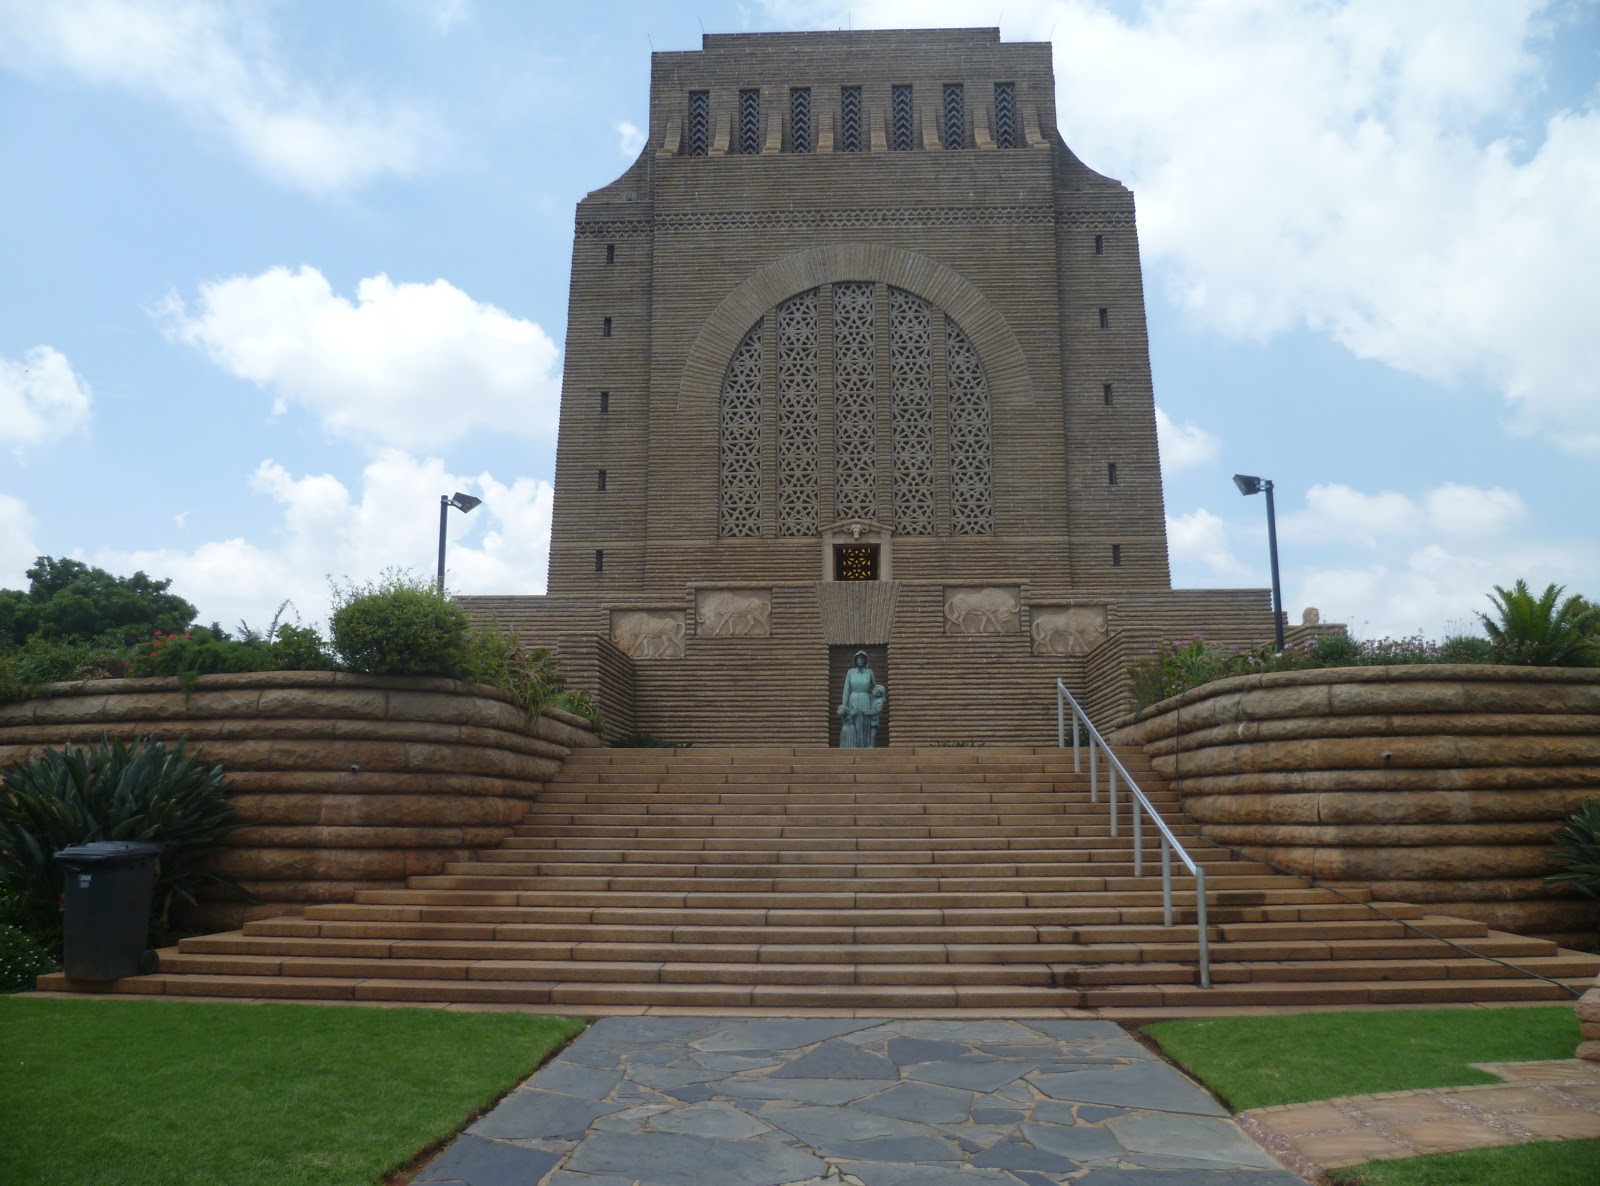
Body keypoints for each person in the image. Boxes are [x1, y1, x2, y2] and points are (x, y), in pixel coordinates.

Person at [836, 650, 876, 747]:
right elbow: (846, 688)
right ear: (855, 659)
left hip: (865, 699)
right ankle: (853, 745)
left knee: (864, 722)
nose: (860, 660)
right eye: (858, 658)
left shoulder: (869, 672)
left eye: (862, 658)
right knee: (853, 721)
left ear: (865, 660)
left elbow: (875, 688)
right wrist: (844, 705)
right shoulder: (850, 672)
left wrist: (877, 702)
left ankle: (864, 745)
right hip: (853, 698)